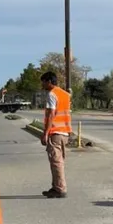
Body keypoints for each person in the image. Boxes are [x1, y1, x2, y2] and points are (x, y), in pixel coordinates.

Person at [39, 71, 71, 199]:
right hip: (64, 132)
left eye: (43, 82)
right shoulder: (65, 94)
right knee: (57, 161)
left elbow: (51, 114)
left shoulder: (52, 94)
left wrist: (45, 133)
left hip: (55, 132)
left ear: (49, 81)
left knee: (56, 162)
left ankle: (60, 189)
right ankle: (55, 186)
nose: (42, 85)